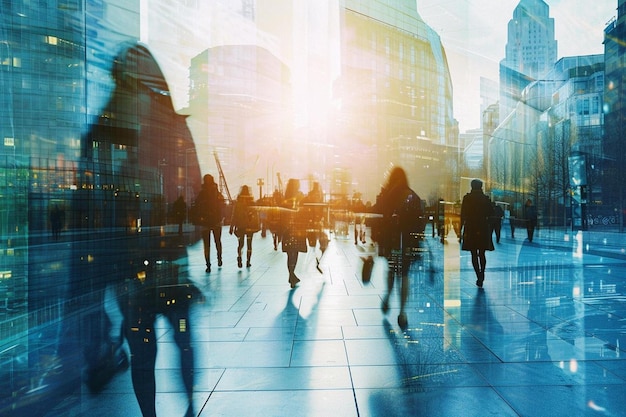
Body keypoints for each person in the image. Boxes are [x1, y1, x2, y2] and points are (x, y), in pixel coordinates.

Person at [372, 167, 423, 330]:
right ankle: (402, 312)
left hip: (391, 241)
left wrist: (377, 238)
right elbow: (419, 222)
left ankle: (387, 296)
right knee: (405, 274)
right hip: (406, 242)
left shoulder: (386, 195)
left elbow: (377, 217)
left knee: (392, 269)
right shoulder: (412, 195)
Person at [460, 179, 494, 288]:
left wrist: (460, 229)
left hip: (471, 227)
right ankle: (482, 273)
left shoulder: (467, 198)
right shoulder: (485, 199)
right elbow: (491, 213)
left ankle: (478, 274)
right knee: (482, 253)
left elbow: (463, 214)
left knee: (473, 253)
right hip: (483, 227)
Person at [280, 178, 307, 288]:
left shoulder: (285, 197)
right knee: (295, 253)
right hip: (297, 228)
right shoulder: (300, 196)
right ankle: (292, 274)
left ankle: (291, 274)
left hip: (287, 229)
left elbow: (282, 212)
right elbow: (304, 210)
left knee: (289, 253)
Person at [194, 174, 225, 272]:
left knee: (206, 245)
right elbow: (222, 204)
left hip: (205, 222)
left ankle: (208, 265)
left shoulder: (202, 193)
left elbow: (196, 205)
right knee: (218, 241)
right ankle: (219, 259)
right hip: (216, 221)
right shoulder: (217, 192)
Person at [229, 185, 259, 268]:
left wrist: (231, 227)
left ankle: (239, 257)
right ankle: (248, 261)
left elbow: (234, 215)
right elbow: (255, 215)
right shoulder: (252, 202)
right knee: (249, 245)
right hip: (250, 227)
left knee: (240, 244)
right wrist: (257, 226)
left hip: (240, 226)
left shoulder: (238, 203)